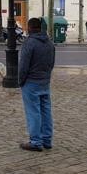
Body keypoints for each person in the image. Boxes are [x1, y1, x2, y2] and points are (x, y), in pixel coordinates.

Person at [19, 17, 55, 152]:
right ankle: (47, 139)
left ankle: (35, 141)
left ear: (29, 28)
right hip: (44, 81)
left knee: (33, 112)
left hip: (31, 82)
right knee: (46, 111)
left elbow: (23, 66)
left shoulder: (29, 43)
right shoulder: (49, 43)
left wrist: (21, 81)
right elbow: (51, 63)